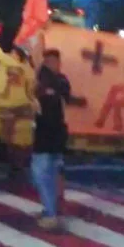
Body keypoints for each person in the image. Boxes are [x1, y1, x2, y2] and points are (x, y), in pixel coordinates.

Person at [31, 47, 87, 230]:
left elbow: (56, 99)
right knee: (51, 174)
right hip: (55, 134)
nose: (53, 65)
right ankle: (52, 208)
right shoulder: (55, 81)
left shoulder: (51, 81)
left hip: (48, 135)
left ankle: (51, 213)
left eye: (54, 61)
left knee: (41, 173)